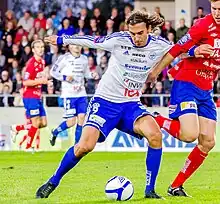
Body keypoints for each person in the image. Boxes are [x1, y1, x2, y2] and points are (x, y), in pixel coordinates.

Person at [36, 10, 205, 199]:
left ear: (149, 29)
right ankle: (53, 181)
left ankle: (150, 191)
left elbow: (177, 52)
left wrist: (194, 51)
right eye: (132, 33)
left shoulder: (159, 45)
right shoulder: (119, 40)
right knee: (84, 146)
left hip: (131, 105)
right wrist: (61, 39)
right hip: (105, 102)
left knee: (155, 135)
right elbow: (91, 40)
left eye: (140, 33)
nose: (136, 38)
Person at [147, 0, 220, 197]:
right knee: (189, 135)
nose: (217, 13)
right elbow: (176, 49)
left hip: (206, 90)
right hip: (187, 84)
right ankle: (157, 119)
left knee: (208, 142)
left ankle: (175, 186)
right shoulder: (203, 26)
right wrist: (156, 72)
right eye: (214, 9)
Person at [50, 44, 99, 146]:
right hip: (69, 94)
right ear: (70, 47)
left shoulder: (84, 59)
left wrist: (92, 75)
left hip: (81, 93)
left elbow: (85, 73)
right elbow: (53, 72)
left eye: (78, 44)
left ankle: (76, 146)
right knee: (71, 122)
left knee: (82, 119)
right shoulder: (64, 58)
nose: (76, 46)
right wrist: (65, 77)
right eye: (74, 44)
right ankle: (55, 132)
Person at [11, 39, 49, 149]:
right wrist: (40, 81)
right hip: (30, 96)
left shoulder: (42, 62)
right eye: (38, 47)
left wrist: (43, 80)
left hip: (37, 96)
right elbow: (26, 82)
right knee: (35, 123)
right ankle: (27, 148)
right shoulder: (31, 63)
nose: (41, 49)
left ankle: (17, 128)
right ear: (33, 50)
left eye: (42, 47)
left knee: (44, 123)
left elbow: (39, 78)